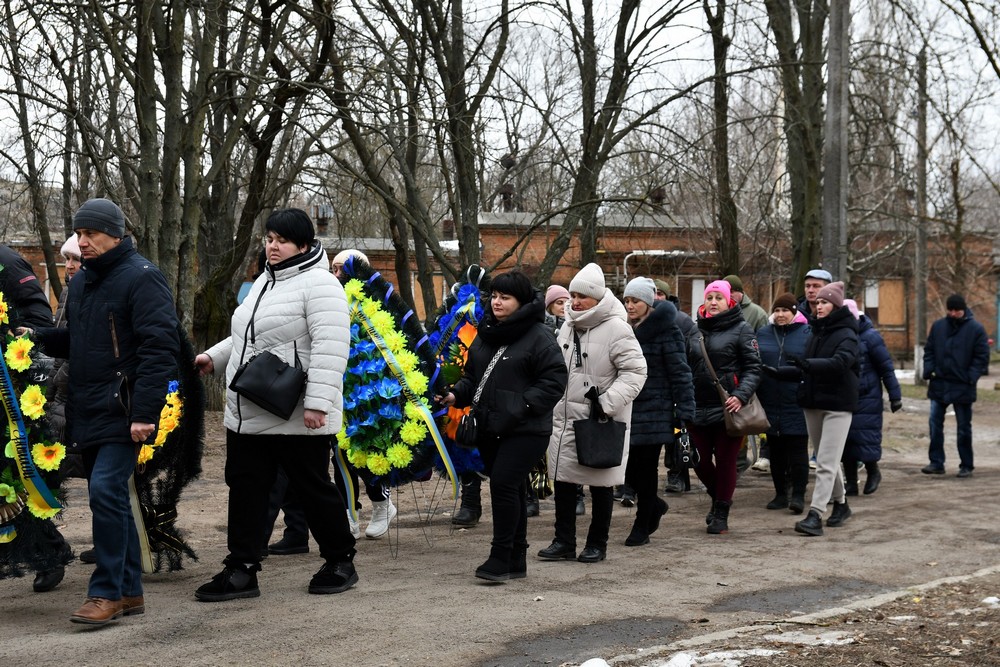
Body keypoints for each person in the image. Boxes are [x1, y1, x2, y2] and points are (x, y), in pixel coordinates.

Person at [194, 208, 358, 601]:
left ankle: (340, 560)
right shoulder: (264, 282)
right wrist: (214, 357)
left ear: (303, 244)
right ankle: (242, 568)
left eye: (282, 240)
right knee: (246, 489)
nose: (272, 246)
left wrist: (317, 404)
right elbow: (248, 337)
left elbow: (331, 348)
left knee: (312, 489)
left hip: (296, 412)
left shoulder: (321, 285)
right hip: (250, 408)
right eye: (269, 239)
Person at [33, 198, 180, 625]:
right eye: (79, 233)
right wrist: (33, 336)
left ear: (116, 234)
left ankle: (106, 592)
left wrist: (145, 413)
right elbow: (77, 341)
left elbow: (159, 349)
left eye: (91, 233)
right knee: (110, 496)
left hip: (125, 408)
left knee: (105, 491)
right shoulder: (82, 282)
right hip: (89, 407)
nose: (82, 242)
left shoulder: (143, 277)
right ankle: (129, 591)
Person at [437, 270, 567, 582]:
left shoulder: (539, 336)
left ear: (521, 302)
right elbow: (473, 377)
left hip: (526, 429)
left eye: (505, 297)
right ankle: (516, 559)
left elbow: (554, 381)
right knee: (513, 489)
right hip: (490, 427)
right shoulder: (487, 331)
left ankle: (500, 556)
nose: (496, 302)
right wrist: (454, 395)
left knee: (503, 485)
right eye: (494, 296)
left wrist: (521, 406)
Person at [539, 263, 646, 563]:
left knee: (601, 483)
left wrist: (607, 403)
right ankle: (564, 541)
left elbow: (636, 372)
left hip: (600, 420)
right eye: (572, 295)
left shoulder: (617, 328)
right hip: (564, 417)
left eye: (582, 296)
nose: (575, 302)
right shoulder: (567, 325)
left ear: (597, 298)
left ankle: (597, 543)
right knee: (563, 480)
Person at [766, 281, 859, 537]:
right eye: (817, 302)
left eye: (824, 302)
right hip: (813, 403)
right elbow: (805, 369)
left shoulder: (849, 335)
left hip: (838, 406)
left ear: (836, 306)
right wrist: (779, 372)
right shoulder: (817, 332)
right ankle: (842, 504)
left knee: (825, 463)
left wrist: (806, 364)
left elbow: (839, 364)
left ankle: (815, 515)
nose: (818, 306)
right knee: (829, 460)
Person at [685, 279, 762, 535]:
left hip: (729, 408)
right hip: (697, 406)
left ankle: (721, 512)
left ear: (729, 302)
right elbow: (685, 367)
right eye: (709, 297)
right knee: (697, 459)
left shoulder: (742, 329)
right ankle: (719, 496)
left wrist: (740, 395)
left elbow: (753, 368)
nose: (713, 302)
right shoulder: (694, 331)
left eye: (719, 297)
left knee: (726, 461)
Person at [621, 278, 694, 547]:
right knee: (628, 467)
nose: (630, 305)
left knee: (646, 467)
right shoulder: (624, 328)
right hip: (627, 406)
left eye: (635, 301)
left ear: (649, 302)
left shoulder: (667, 330)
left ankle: (642, 523)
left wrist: (684, 410)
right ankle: (655, 505)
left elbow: (680, 372)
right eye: (627, 300)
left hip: (656, 409)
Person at [921, 294, 990, 478]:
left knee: (963, 428)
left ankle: (966, 464)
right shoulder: (938, 327)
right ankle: (936, 462)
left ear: (963, 309)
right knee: (935, 424)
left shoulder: (976, 329)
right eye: (950, 310)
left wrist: (971, 377)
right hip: (940, 383)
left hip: (962, 385)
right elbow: (929, 350)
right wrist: (929, 371)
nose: (953, 313)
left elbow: (982, 356)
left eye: (956, 310)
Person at [755, 293, 811, 513]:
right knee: (775, 450)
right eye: (777, 310)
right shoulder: (763, 333)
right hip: (769, 400)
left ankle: (798, 495)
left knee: (797, 451)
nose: (780, 314)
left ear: (794, 312)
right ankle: (780, 494)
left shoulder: (807, 333)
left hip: (796, 401)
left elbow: (811, 365)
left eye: (785, 310)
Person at [842, 299, 902, 495]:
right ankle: (851, 482)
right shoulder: (840, 336)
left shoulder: (870, 337)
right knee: (846, 441)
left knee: (865, 437)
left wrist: (895, 395)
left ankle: (873, 471)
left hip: (868, 396)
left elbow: (886, 367)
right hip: (845, 396)